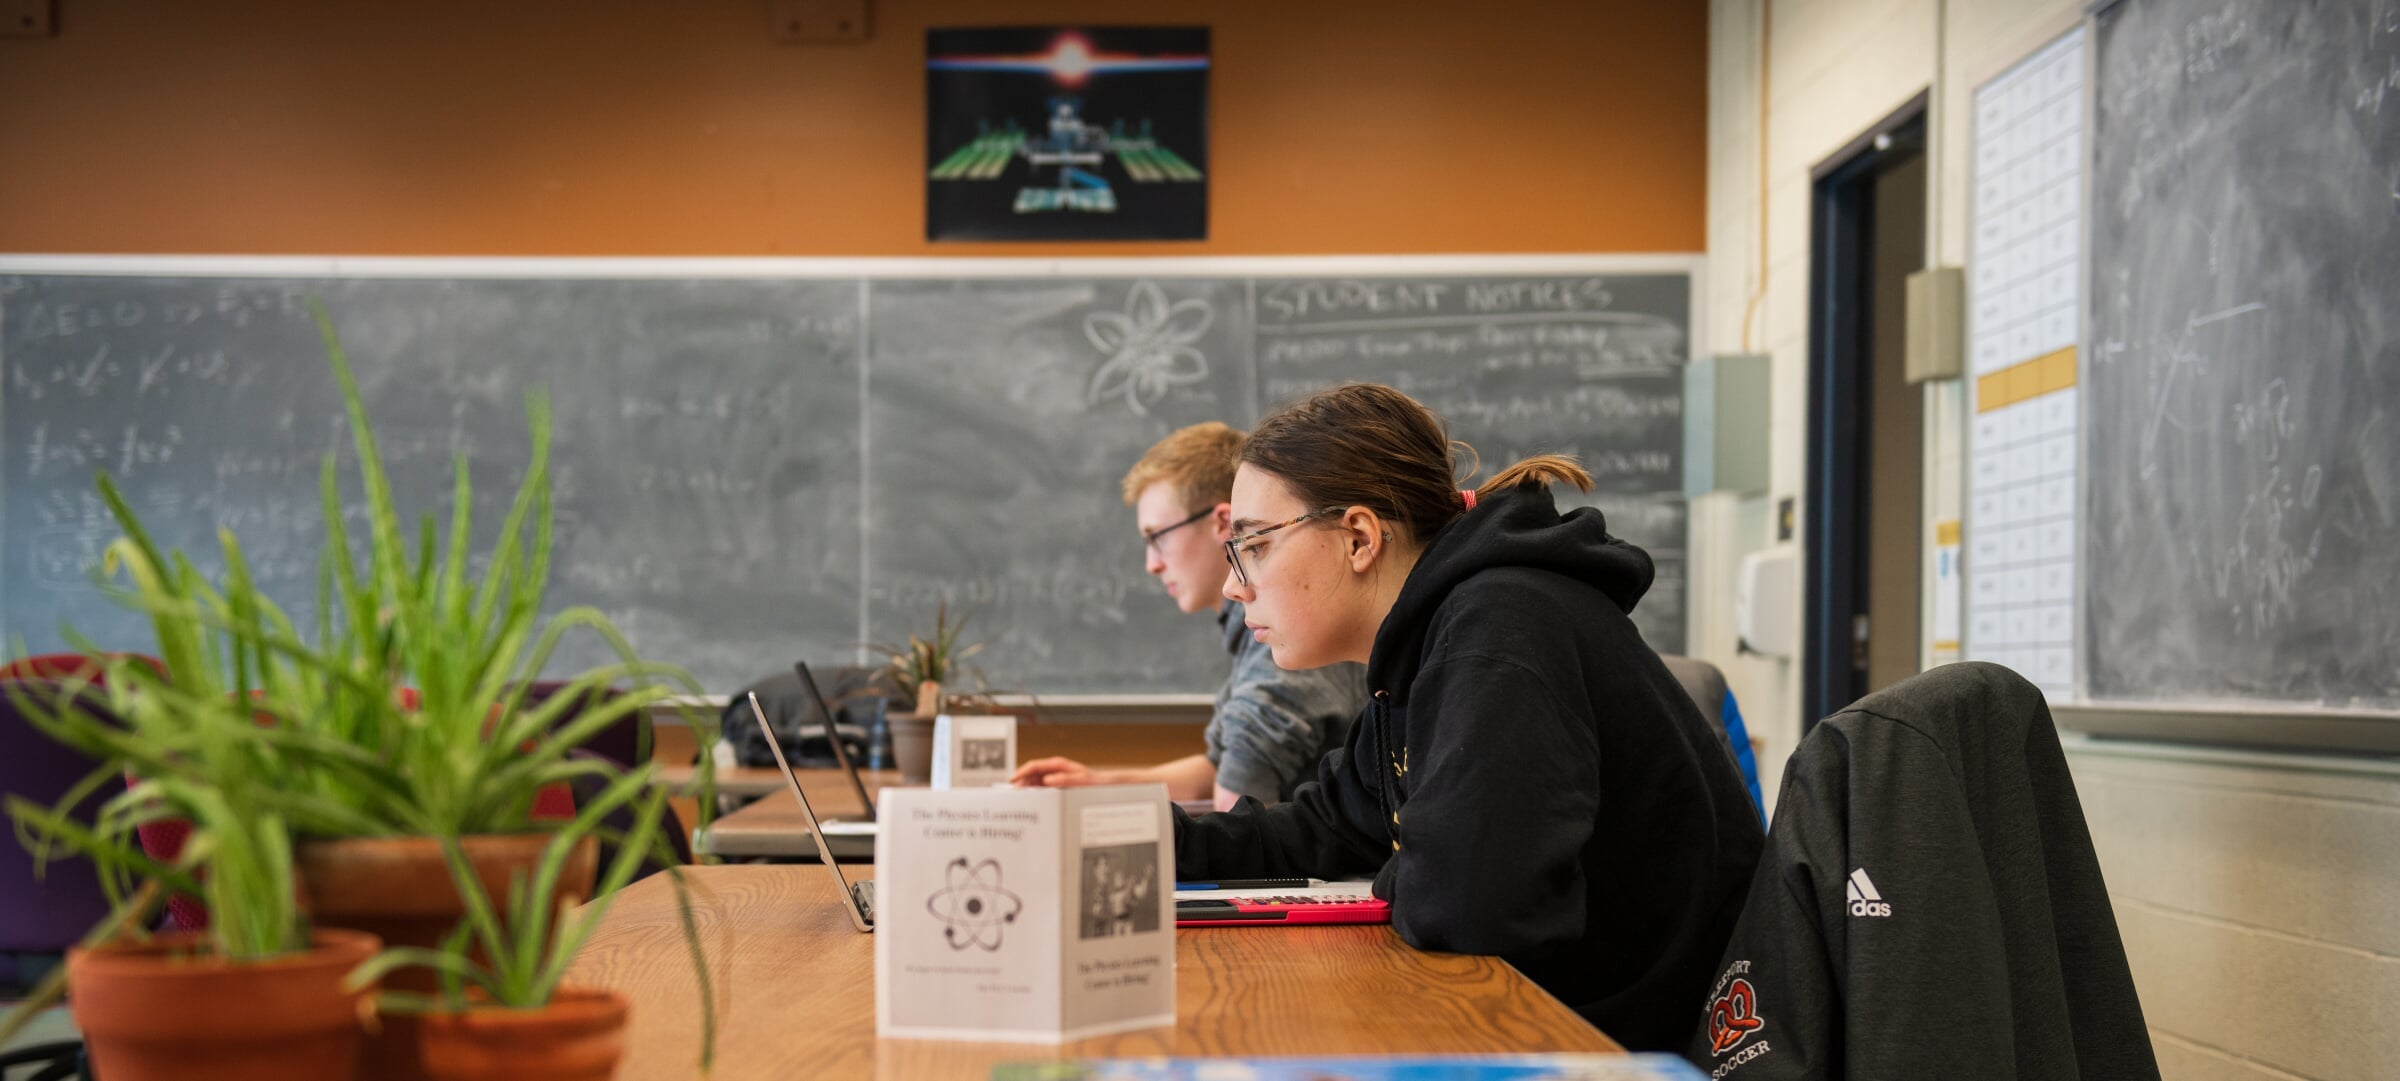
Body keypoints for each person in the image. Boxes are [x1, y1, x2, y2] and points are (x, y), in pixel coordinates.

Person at [1171, 384, 1763, 1053]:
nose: (1233, 584)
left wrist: (1413, 855)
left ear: (1360, 537)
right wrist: (1148, 839)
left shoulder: (1499, 628)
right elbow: (1326, 828)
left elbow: (1472, 906)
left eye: (1254, 543)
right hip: (1560, 1023)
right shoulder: (1424, 647)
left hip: (1650, 1049)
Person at [1012, 422, 1367, 810]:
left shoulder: (1286, 622)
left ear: (1221, 523)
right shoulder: (1252, 627)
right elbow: (1220, 767)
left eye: (1157, 536)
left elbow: (1240, 796)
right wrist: (1099, 784)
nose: (1152, 564)